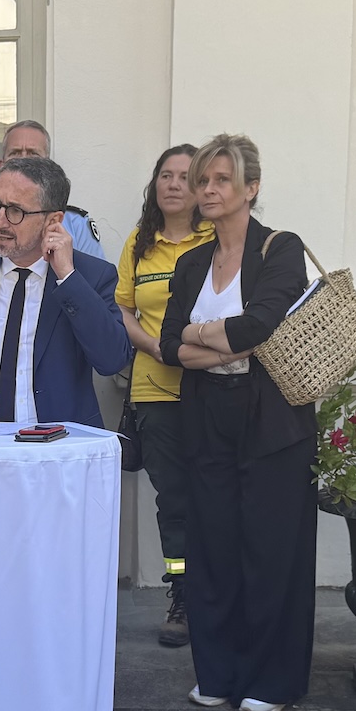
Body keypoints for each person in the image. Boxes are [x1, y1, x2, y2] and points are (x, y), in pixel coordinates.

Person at [158, 134, 316, 711]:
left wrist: (215, 337)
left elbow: (260, 327)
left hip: (271, 419)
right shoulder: (192, 261)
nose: (207, 189)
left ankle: (272, 679)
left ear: (251, 189)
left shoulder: (281, 248)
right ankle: (219, 671)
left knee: (271, 549)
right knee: (213, 545)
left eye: (221, 179)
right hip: (206, 416)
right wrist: (213, 340)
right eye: (203, 180)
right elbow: (172, 347)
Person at [0, 155, 129, 427]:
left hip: (60, 448)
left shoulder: (91, 276)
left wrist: (67, 277)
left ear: (53, 221)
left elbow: (111, 360)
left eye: (15, 211)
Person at [116, 143, 207, 645]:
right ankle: (183, 593)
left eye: (184, 176)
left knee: (215, 494)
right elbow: (123, 310)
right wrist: (159, 347)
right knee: (172, 502)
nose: (173, 184)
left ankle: (218, 591)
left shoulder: (219, 239)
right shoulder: (139, 242)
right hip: (155, 389)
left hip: (213, 387)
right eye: (164, 175)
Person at [0, 120, 107, 268]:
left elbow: (94, 285)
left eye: (33, 154)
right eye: (15, 153)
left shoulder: (77, 226)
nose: (23, 162)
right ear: (1, 165)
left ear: (48, 164)